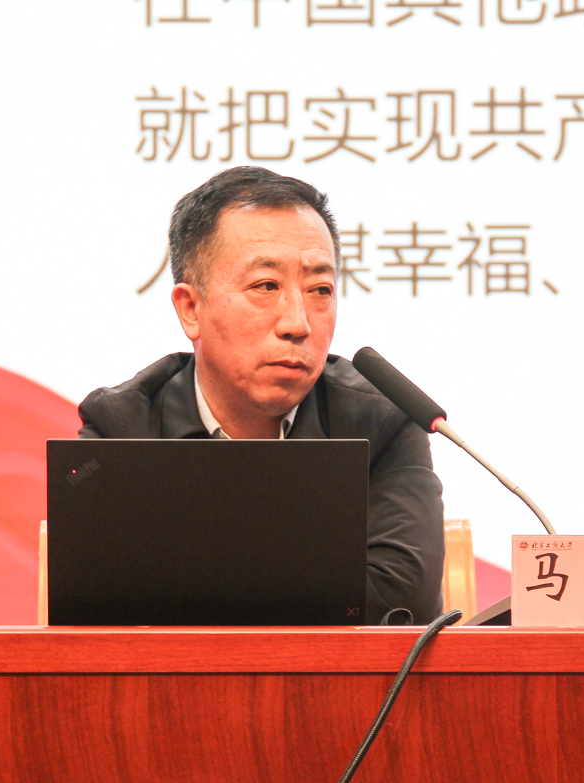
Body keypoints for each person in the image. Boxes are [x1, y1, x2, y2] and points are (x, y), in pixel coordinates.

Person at [78, 166, 444, 625]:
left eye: (320, 290)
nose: (298, 323)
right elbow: (98, 610)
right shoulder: (120, 430)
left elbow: (400, 604)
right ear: (190, 309)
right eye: (266, 286)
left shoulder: (382, 421)